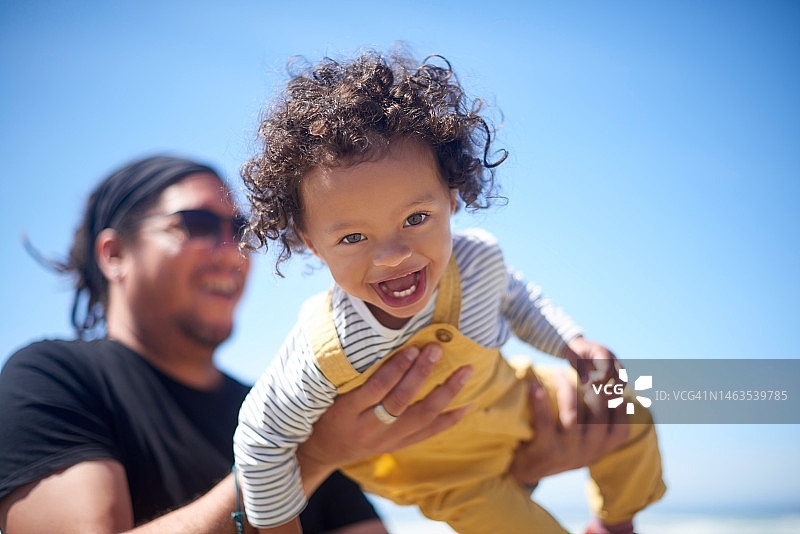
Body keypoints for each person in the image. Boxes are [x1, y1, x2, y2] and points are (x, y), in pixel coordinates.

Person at [0, 155, 626, 534]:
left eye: (241, 228)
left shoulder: (307, 397)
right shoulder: (52, 377)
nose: (231, 248)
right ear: (114, 253)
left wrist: (516, 472)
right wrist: (316, 454)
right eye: (196, 225)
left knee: (641, 399)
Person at [234, 51, 666, 534]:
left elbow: (518, 299)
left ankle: (615, 523)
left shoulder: (476, 258)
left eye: (416, 218)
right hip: (455, 480)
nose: (393, 255)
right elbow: (260, 438)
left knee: (622, 404)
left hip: (515, 402)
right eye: (353, 237)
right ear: (313, 244)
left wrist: (571, 342)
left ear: (452, 199)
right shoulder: (327, 348)